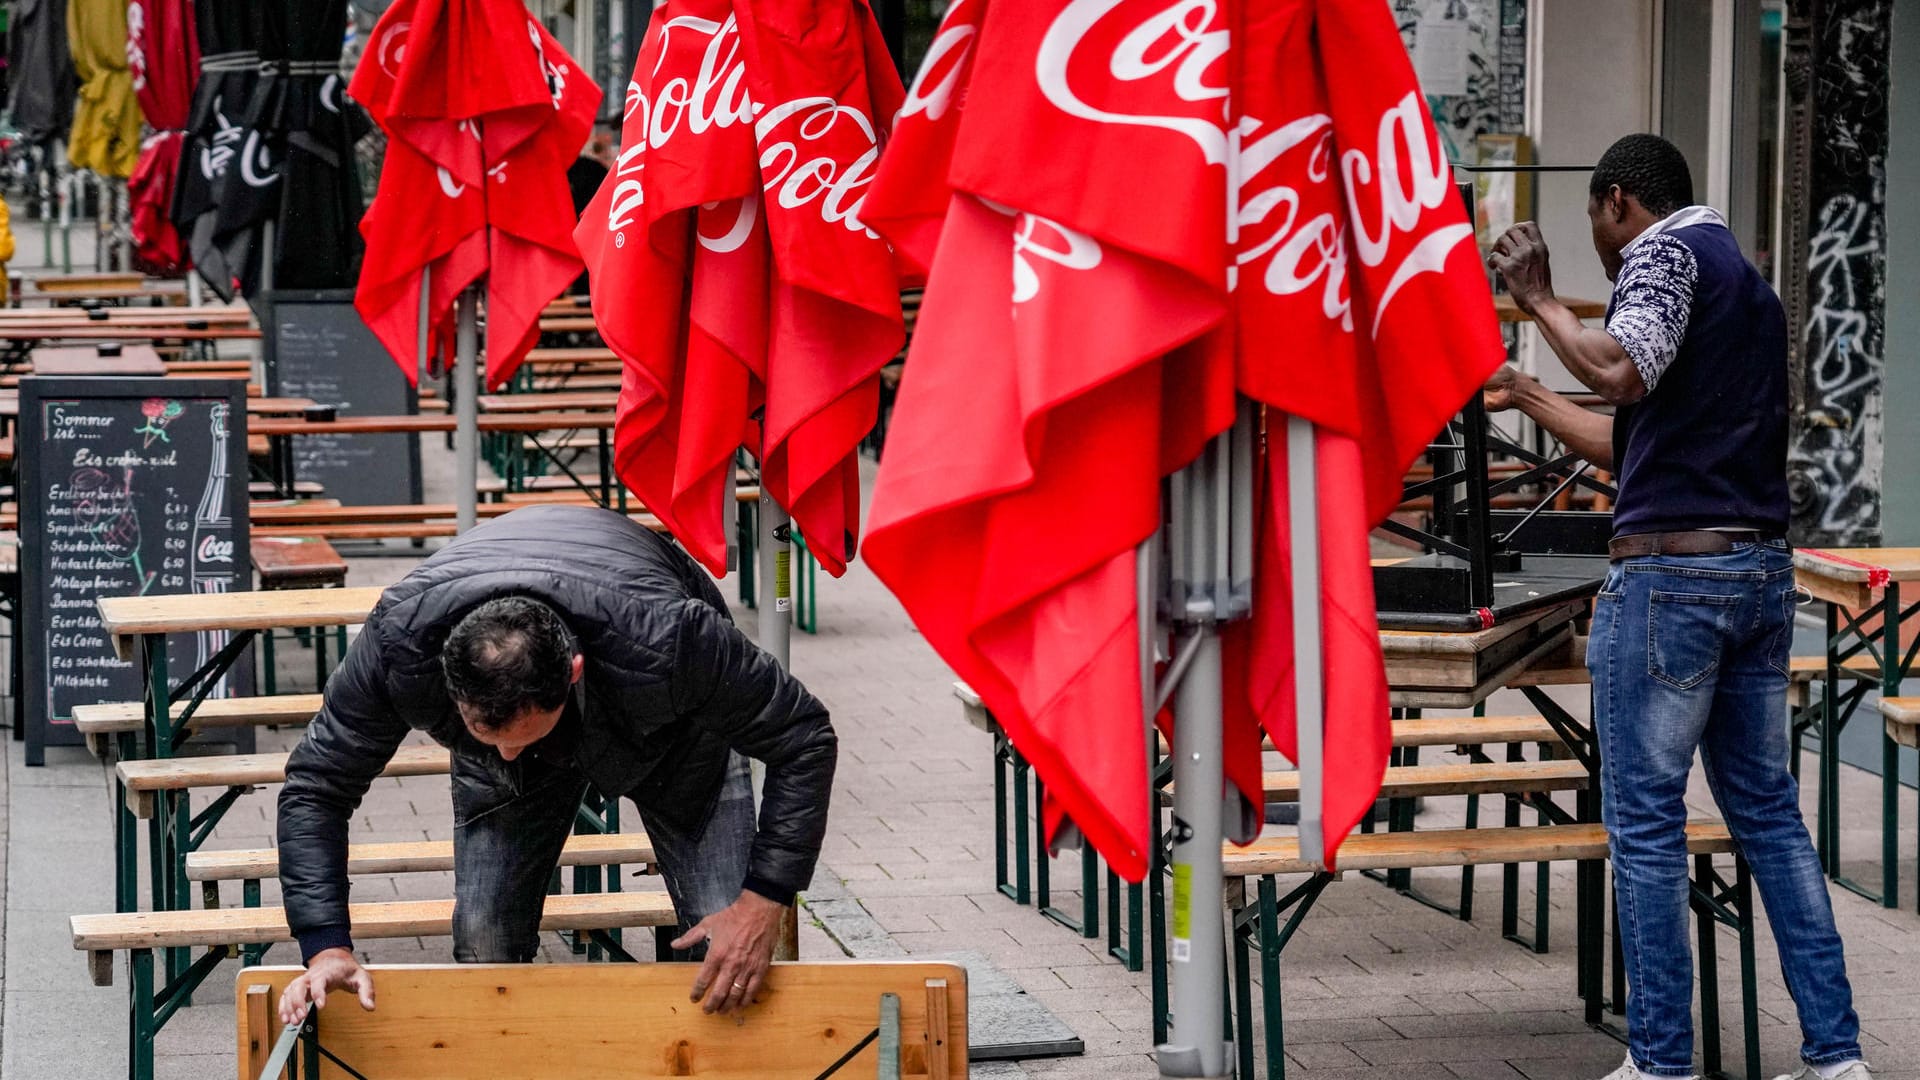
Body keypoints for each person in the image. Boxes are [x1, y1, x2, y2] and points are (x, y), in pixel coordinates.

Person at [1484, 134, 1868, 1080]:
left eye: (1596, 228)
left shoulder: (1664, 254)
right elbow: (1633, 438)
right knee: (1769, 816)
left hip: (1672, 583)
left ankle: (1661, 1062)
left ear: (1620, 201)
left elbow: (1617, 372)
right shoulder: (1743, 279)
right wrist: (1528, 391)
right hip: (1755, 575)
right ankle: (1837, 1057)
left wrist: (1537, 298)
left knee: (1646, 822)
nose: (1603, 251)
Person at [273, 504, 836, 1025]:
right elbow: (316, 787)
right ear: (453, 688)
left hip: (674, 738)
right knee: (485, 945)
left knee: (732, 956)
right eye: (484, 733)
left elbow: (805, 737)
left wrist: (764, 899)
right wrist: (326, 948)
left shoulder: (671, 636)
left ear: (572, 672)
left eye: (525, 734)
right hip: (563, 658)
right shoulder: (401, 641)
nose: (511, 754)